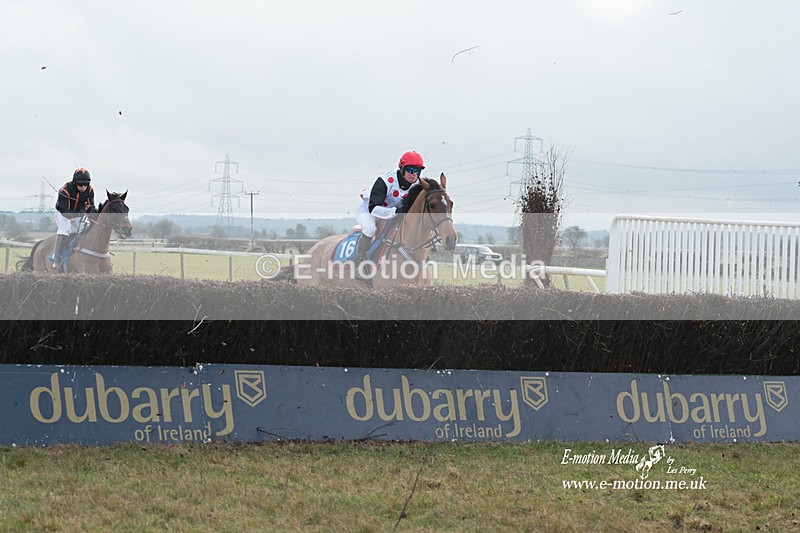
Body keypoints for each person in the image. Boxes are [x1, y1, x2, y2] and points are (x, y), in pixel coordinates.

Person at [353, 151, 424, 277]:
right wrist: (395, 212)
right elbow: (373, 209)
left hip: (391, 213)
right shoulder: (385, 180)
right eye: (411, 170)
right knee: (370, 229)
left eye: (418, 171)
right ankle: (359, 265)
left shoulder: (417, 185)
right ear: (402, 168)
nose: (415, 175)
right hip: (369, 209)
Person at [51, 167, 96, 269]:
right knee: (65, 229)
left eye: (86, 184)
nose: (83, 187)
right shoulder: (64, 191)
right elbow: (65, 212)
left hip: (77, 213)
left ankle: (82, 251)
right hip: (63, 213)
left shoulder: (90, 190)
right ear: (75, 182)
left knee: (86, 227)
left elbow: (91, 207)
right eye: (81, 185)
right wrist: (79, 213)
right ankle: (56, 258)